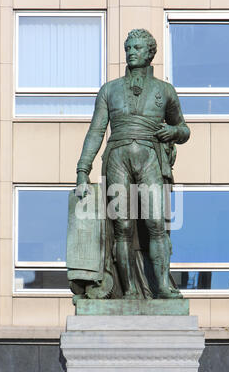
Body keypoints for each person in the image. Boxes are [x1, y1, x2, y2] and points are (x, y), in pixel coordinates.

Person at [76, 29, 190, 299]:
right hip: (118, 155)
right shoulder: (110, 90)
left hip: (150, 156)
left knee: (156, 224)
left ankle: (162, 285)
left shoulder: (165, 90)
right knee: (122, 227)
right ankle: (128, 290)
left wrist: (173, 133)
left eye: (138, 48)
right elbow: (96, 131)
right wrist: (82, 170)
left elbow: (184, 129)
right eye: (129, 47)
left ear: (150, 53)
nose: (132, 52)